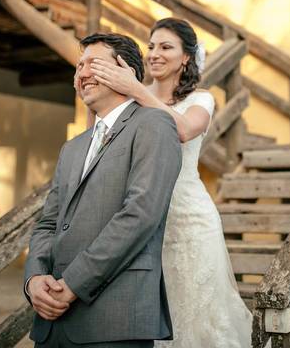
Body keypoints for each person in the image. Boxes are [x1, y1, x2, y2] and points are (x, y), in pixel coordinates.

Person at [88, 18, 253, 347]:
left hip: (191, 219)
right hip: (145, 216)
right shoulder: (129, 98)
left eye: (165, 47)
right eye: (151, 46)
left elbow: (181, 130)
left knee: (202, 314)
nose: (154, 54)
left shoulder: (201, 100)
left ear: (186, 57)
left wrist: (134, 88)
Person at [25, 33, 183, 348]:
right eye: (78, 66)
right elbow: (48, 223)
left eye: (92, 65)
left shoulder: (154, 125)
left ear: (126, 71)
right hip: (51, 325)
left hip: (114, 319)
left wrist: (72, 284)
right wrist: (34, 280)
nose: (81, 74)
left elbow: (140, 215)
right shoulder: (72, 147)